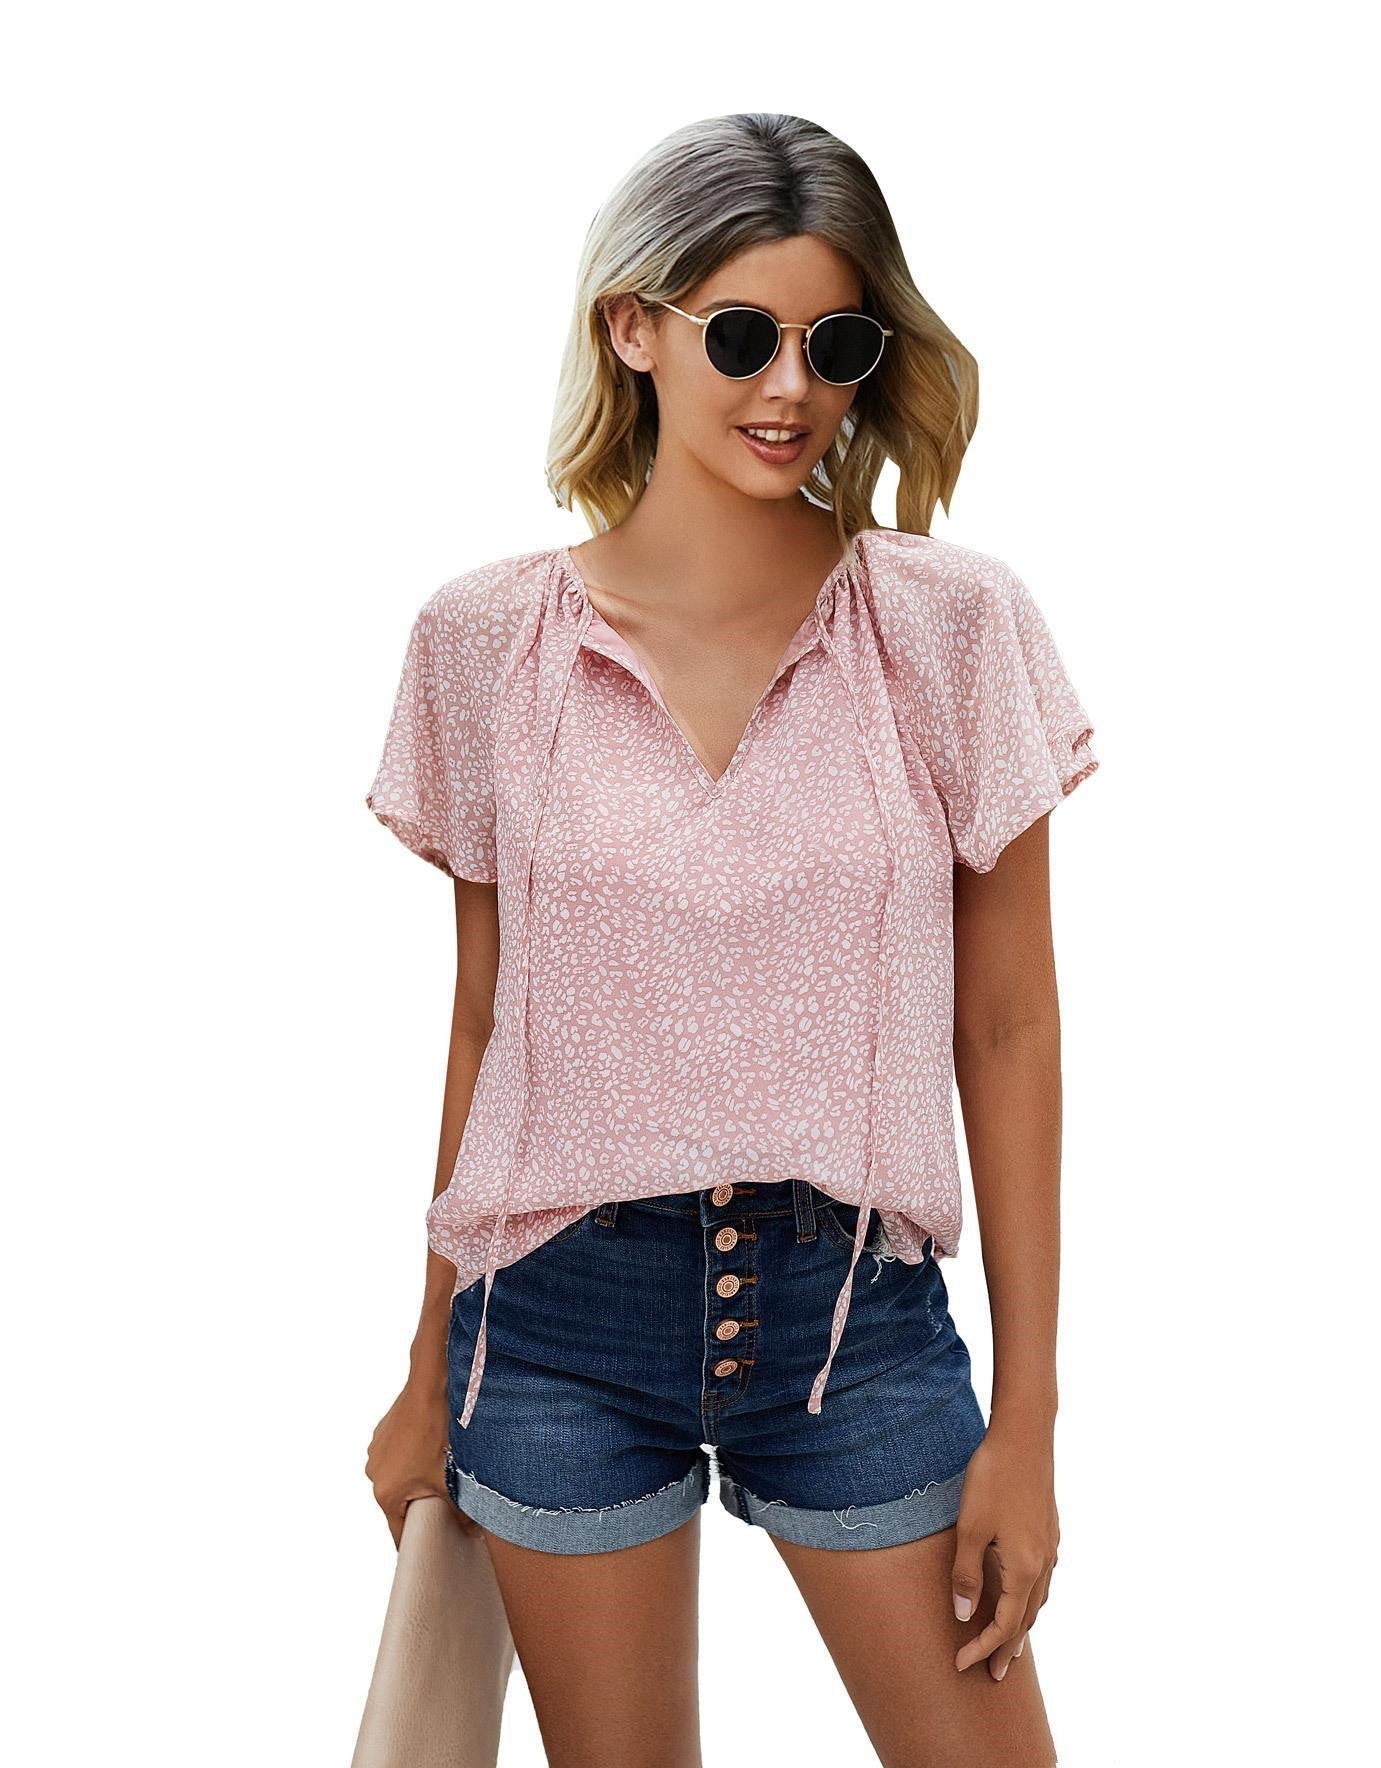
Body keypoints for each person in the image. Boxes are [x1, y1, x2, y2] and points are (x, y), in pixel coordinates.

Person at [363, 111, 1098, 1768]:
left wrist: (1029, 1418)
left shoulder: (947, 627)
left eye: (835, 346)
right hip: (550, 1328)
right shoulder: (485, 642)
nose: (791, 389)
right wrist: (423, 1363)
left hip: (855, 1320)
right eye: (744, 335)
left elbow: (1006, 1031)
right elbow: (487, 1024)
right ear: (634, 328)